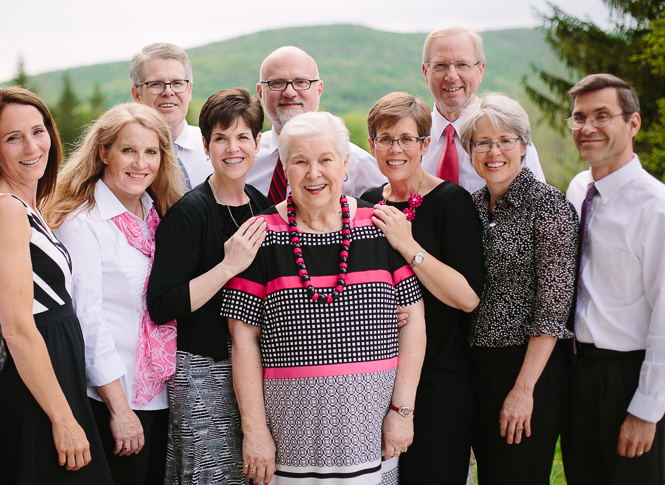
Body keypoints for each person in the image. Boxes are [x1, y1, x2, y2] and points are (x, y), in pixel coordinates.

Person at [223, 111, 427, 484]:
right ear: (285, 168)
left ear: (345, 163)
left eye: (325, 160)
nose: (313, 173)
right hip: (289, 439)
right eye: (300, 162)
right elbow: (243, 339)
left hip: (371, 434)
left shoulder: (381, 227)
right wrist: (255, 431)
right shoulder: (259, 236)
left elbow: (413, 322)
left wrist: (403, 411)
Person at [0, 86, 113, 484]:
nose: (32, 146)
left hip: (56, 368)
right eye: (13, 137)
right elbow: (16, 327)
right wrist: (62, 417)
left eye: (38, 130)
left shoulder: (27, 206)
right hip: (35, 383)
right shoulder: (3, 211)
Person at [45, 102, 184, 483]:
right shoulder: (83, 222)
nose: (141, 163)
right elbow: (87, 320)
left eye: (151, 152)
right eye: (128, 150)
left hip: (163, 394)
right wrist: (120, 410)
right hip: (113, 399)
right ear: (104, 152)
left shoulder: (161, 215)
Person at [360, 91, 484, 485]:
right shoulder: (365, 205)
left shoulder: (451, 201)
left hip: (439, 381)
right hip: (375, 381)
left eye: (406, 139)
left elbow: (467, 297)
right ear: (372, 145)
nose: (395, 149)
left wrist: (408, 245)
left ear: (424, 144)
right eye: (385, 138)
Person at [147, 88, 269, 484]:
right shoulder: (189, 213)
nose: (232, 148)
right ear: (205, 145)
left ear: (257, 142)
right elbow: (162, 304)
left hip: (256, 367)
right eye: (220, 138)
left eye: (241, 137)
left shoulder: (259, 203)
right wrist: (227, 266)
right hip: (205, 372)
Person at [457, 93, 577, 484]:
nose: (494, 151)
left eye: (505, 140)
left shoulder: (549, 207)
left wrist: (523, 390)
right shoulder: (471, 206)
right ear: (469, 150)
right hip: (476, 365)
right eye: (482, 142)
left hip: (528, 368)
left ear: (524, 146)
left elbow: (553, 310)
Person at [561, 74, 665, 485]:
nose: (587, 127)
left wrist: (647, 408)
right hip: (579, 374)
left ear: (633, 123)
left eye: (602, 115)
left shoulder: (659, 209)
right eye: (579, 117)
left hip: (630, 375)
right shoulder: (578, 189)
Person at [246, 45, 385, 202]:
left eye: (301, 82)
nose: (289, 92)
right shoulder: (243, 159)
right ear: (260, 92)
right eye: (277, 83)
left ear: (319, 90)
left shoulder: (358, 164)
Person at [420, 26, 544, 193]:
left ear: (480, 70)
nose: (452, 76)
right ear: (425, 72)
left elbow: (537, 202)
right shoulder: (411, 139)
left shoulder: (510, 137)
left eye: (462, 64)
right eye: (440, 65)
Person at [130, 42, 212, 190]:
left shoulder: (217, 149)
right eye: (156, 84)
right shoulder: (122, 159)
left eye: (177, 83)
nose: (168, 92)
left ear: (189, 90)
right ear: (137, 94)